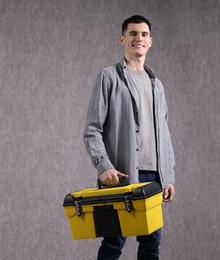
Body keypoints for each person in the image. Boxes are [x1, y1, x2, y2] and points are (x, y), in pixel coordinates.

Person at [83, 15, 176, 260]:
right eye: (133, 34)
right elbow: (92, 129)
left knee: (151, 246)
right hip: (121, 176)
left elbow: (164, 134)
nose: (139, 38)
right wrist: (103, 167)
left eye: (144, 34)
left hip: (154, 178)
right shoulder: (109, 77)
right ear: (122, 39)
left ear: (151, 41)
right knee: (113, 245)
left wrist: (169, 176)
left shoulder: (158, 85)